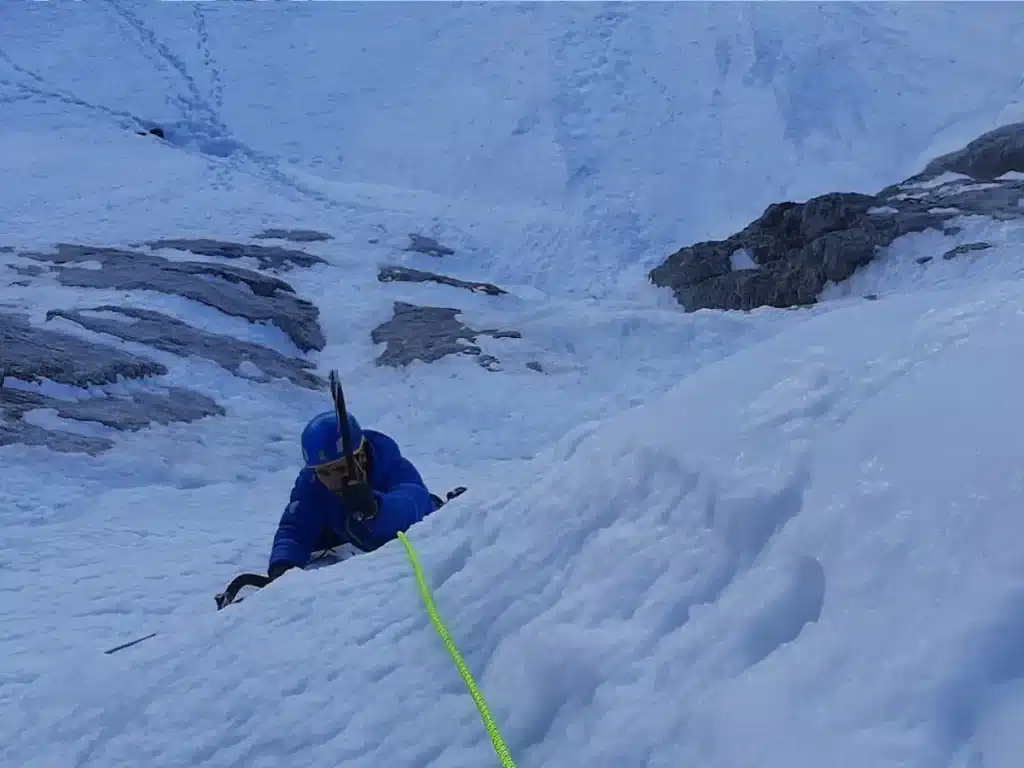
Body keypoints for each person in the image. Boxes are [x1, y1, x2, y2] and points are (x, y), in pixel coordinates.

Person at [267, 409, 438, 581]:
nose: (332, 481)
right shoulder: (312, 483)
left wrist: (377, 508)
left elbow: (413, 503)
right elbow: (296, 527)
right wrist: (283, 564)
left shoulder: (391, 466)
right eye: (324, 473)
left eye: (340, 469)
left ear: (361, 456)